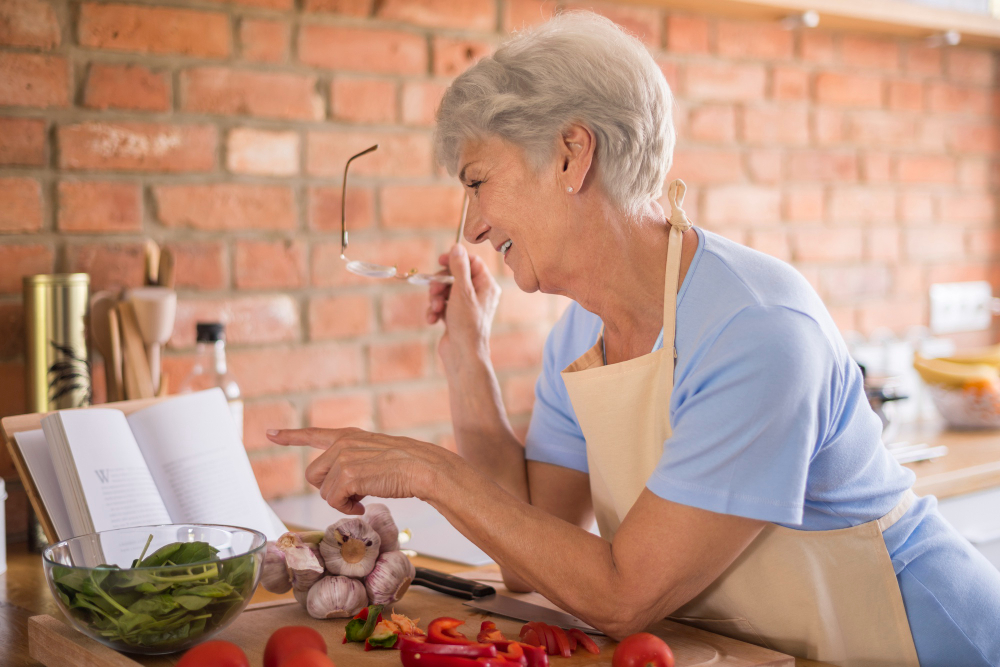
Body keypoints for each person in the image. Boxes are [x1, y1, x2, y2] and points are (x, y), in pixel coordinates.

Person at [267, 12, 1000, 665]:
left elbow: (623, 596)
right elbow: (535, 545)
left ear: (570, 155)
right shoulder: (579, 333)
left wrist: (428, 470)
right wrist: (468, 358)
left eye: (478, 182)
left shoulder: (759, 330)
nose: (474, 227)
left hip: (924, 638)